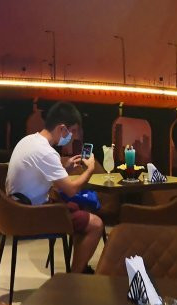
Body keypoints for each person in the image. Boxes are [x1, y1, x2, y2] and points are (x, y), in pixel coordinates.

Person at [6, 101, 105, 273]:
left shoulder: (28, 140)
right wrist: (90, 169)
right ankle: (75, 275)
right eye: (72, 131)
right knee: (96, 224)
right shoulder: (46, 152)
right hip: (30, 216)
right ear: (62, 128)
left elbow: (42, 177)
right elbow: (71, 189)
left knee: (77, 206)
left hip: (15, 209)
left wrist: (65, 169)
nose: (73, 136)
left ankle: (79, 268)